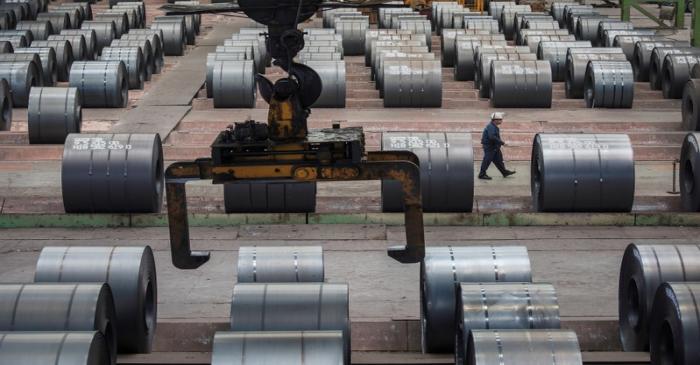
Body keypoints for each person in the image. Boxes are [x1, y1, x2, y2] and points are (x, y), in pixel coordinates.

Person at [479, 112, 516, 180]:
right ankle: (482, 174)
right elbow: (492, 137)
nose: (501, 121)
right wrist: (502, 143)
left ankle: (504, 172)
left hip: (494, 147)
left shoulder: (493, 126)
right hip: (490, 147)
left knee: (499, 160)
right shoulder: (491, 127)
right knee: (487, 160)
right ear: (494, 120)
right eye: (499, 119)